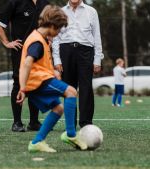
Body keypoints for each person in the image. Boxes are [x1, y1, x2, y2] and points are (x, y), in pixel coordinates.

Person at [17, 5, 87, 153]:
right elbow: (27, 63)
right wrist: (22, 87)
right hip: (38, 82)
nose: (59, 32)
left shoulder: (41, 38)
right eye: (59, 29)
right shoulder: (37, 41)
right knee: (71, 92)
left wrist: (53, 71)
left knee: (58, 108)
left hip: (38, 81)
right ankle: (71, 135)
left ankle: (36, 142)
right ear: (53, 26)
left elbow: (38, 63)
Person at [0, 0, 49, 132]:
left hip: (40, 51)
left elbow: (49, 25)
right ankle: (17, 122)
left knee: (36, 84)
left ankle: (34, 122)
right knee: (19, 83)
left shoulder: (44, 3)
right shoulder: (15, 2)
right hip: (21, 52)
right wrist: (7, 42)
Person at [52, 0, 104, 128]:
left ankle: (86, 122)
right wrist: (57, 60)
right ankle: (71, 123)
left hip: (86, 52)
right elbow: (55, 38)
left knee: (86, 87)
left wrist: (97, 59)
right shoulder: (60, 12)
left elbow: (96, 36)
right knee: (69, 88)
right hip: (66, 51)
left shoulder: (91, 11)